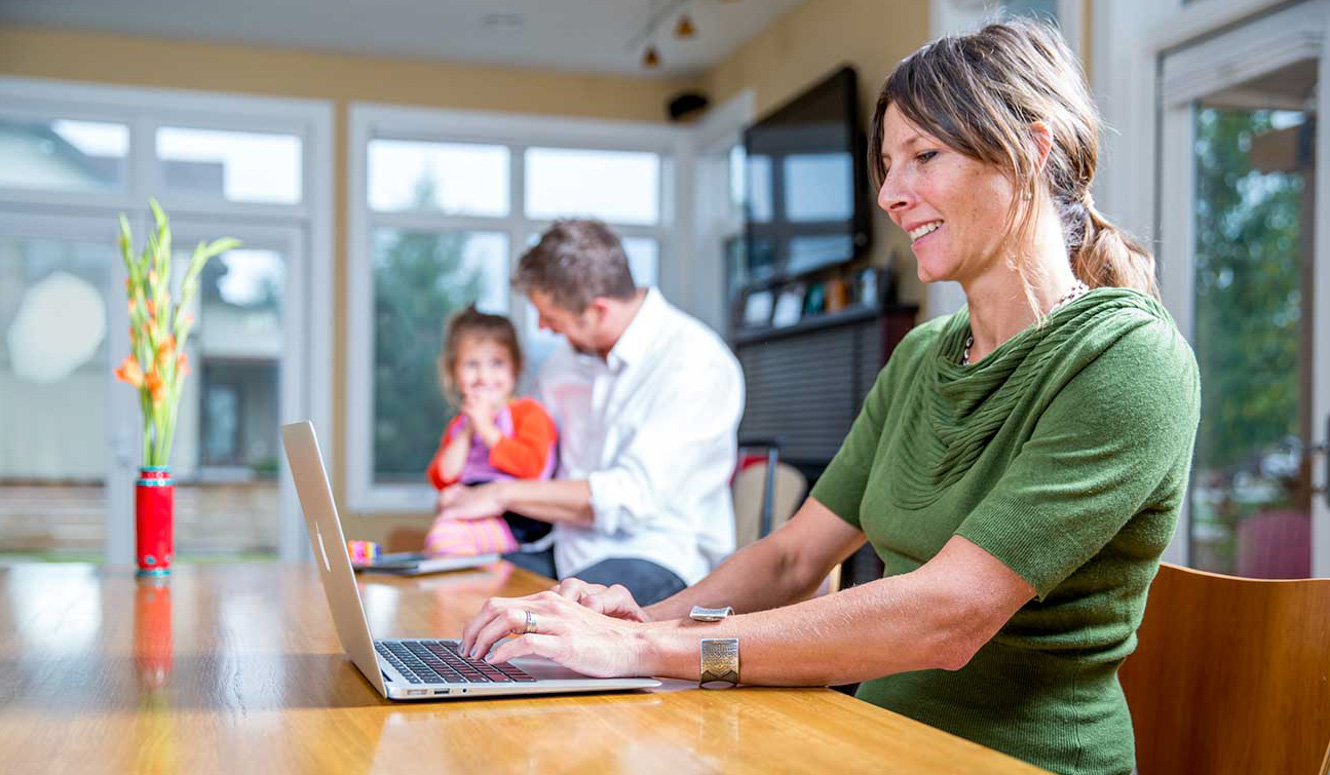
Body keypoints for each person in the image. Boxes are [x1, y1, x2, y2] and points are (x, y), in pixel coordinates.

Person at [456, 19, 1201, 775]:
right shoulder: (918, 358)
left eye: (924, 156)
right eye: (886, 164)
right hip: (863, 742)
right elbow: (789, 557)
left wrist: (650, 648)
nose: (890, 194)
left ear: (1032, 153)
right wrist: (639, 620)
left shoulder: (1128, 358)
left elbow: (949, 614)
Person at [437, 219, 745, 606]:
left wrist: (501, 495)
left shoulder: (694, 364)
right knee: (451, 588)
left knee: (551, 615)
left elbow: (630, 499)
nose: (542, 327)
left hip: (658, 556)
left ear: (598, 310)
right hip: (563, 550)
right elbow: (529, 454)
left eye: (550, 316)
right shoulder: (562, 365)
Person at [425, 306, 557, 556]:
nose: (484, 376)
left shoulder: (528, 413)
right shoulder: (460, 424)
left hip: (517, 518)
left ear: (515, 368)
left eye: (497, 363)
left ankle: (469, 588)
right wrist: (467, 430)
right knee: (444, 537)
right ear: (454, 372)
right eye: (472, 364)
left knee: (444, 538)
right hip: (474, 509)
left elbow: (532, 467)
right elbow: (443, 477)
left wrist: (486, 429)